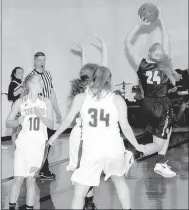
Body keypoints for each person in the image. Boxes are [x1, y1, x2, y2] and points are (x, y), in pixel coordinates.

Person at [49, 66, 145, 209]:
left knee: (79, 193)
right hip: (113, 148)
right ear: (110, 80)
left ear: (93, 78)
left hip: (92, 150)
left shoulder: (81, 97)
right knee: (120, 183)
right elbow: (125, 127)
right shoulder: (117, 99)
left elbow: (68, 119)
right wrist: (137, 145)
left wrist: (55, 135)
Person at [124, 12, 180, 178]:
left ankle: (161, 163)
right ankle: (134, 156)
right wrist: (162, 23)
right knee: (157, 144)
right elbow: (167, 40)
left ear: (149, 54)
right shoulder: (164, 65)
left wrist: (138, 26)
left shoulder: (142, 66)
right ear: (161, 56)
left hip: (146, 106)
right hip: (162, 106)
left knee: (167, 131)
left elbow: (127, 43)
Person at [67, 36, 107, 210]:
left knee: (88, 174)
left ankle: (87, 204)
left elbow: (88, 71)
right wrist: (104, 47)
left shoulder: (84, 90)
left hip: (86, 136)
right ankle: (85, 204)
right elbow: (101, 68)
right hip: (86, 138)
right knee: (87, 174)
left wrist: (84, 52)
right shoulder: (94, 91)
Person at [6, 72, 53, 210]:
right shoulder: (21, 102)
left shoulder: (46, 102)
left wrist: (41, 116)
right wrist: (16, 122)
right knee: (18, 179)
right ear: (30, 84)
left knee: (31, 181)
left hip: (38, 147)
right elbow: (8, 122)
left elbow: (50, 124)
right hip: (22, 146)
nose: (42, 83)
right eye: (39, 80)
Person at [30, 52, 62, 180]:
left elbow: (52, 93)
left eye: (44, 60)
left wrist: (58, 111)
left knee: (48, 138)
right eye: (39, 60)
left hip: (48, 107)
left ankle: (42, 167)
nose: (42, 62)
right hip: (38, 108)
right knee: (40, 140)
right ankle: (43, 168)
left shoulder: (48, 74)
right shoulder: (31, 76)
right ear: (35, 61)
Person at [8, 67, 24, 148]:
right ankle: (15, 147)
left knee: (22, 128)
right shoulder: (13, 83)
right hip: (16, 109)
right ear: (15, 74)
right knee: (15, 129)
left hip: (23, 108)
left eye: (22, 72)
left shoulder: (23, 83)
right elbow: (10, 97)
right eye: (19, 73)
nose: (21, 74)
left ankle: (21, 146)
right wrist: (18, 91)